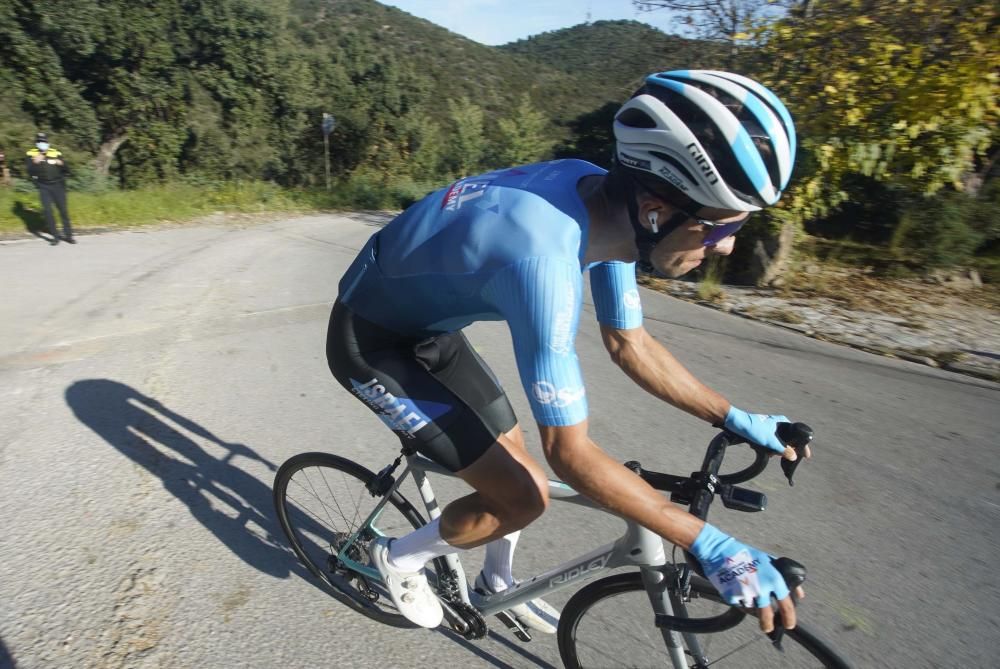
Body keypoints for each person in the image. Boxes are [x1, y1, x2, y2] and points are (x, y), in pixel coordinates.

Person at [326, 70, 806, 633]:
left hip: (429, 326)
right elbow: (571, 455)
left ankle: (494, 583)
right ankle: (398, 557)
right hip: (371, 342)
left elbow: (630, 344)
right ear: (655, 210)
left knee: (518, 463)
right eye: (716, 226)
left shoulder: (605, 203)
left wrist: (738, 419)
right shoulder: (543, 263)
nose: (725, 246)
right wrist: (714, 544)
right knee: (524, 496)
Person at [26, 132, 75, 245]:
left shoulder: (55, 153)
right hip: (44, 186)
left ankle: (69, 236)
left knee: (63, 211)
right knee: (48, 211)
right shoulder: (31, 154)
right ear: (36, 143)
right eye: (39, 142)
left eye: (44, 141)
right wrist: (34, 163)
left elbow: (67, 170)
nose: (42, 144)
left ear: (48, 143)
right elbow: (29, 171)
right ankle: (55, 237)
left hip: (58, 185)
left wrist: (61, 163)